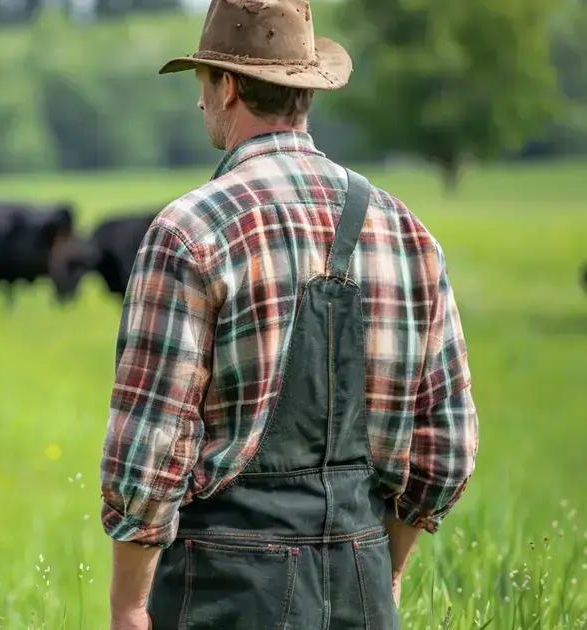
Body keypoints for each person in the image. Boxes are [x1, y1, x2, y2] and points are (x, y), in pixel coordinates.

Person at [99, 1, 479, 628]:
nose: (199, 101)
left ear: (227, 87)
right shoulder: (407, 232)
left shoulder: (190, 230)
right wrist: (383, 569)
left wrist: (129, 606)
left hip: (222, 588)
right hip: (363, 580)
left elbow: (150, 445)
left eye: (204, 82)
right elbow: (448, 447)